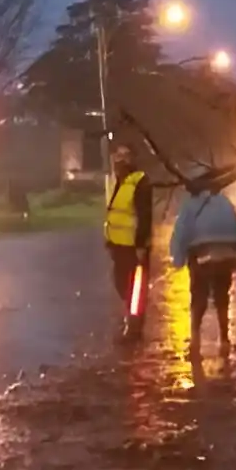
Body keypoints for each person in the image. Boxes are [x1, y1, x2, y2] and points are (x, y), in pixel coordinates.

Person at [170, 167, 236, 357]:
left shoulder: (190, 206)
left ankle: (195, 341)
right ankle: (225, 340)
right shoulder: (225, 203)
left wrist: (178, 259)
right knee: (222, 298)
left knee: (198, 297)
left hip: (201, 254)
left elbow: (181, 233)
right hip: (225, 254)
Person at [104, 143, 153, 335]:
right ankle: (132, 318)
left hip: (134, 245)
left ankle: (134, 327)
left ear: (132, 158)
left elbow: (144, 215)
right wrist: (109, 240)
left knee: (135, 287)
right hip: (119, 245)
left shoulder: (139, 181)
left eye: (125, 155)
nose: (120, 159)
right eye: (118, 154)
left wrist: (141, 244)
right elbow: (115, 212)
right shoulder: (119, 180)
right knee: (121, 283)